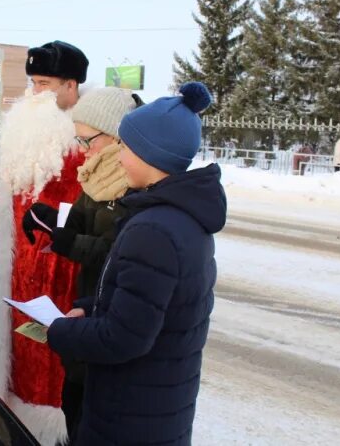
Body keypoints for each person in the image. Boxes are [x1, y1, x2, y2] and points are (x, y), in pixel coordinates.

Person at [46, 82, 227, 445]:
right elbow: (147, 304)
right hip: (154, 407)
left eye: (125, 146)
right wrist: (91, 308)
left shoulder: (155, 230)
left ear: (150, 154)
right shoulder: (179, 217)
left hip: (129, 415)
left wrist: (58, 332)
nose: (119, 155)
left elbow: (123, 338)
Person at [0, 40, 88, 445]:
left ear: (71, 86)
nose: (35, 94)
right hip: (11, 267)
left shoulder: (85, 140)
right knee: (7, 356)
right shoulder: (29, 133)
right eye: (33, 83)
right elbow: (11, 186)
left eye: (45, 83)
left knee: (44, 370)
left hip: (54, 271)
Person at [22, 87, 138, 443]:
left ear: (117, 134)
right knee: (74, 404)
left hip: (112, 314)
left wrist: (68, 241)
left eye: (89, 140)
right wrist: (52, 217)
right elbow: (83, 219)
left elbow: (117, 252)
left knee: (94, 415)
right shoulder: (99, 172)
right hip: (88, 303)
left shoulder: (134, 182)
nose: (84, 150)